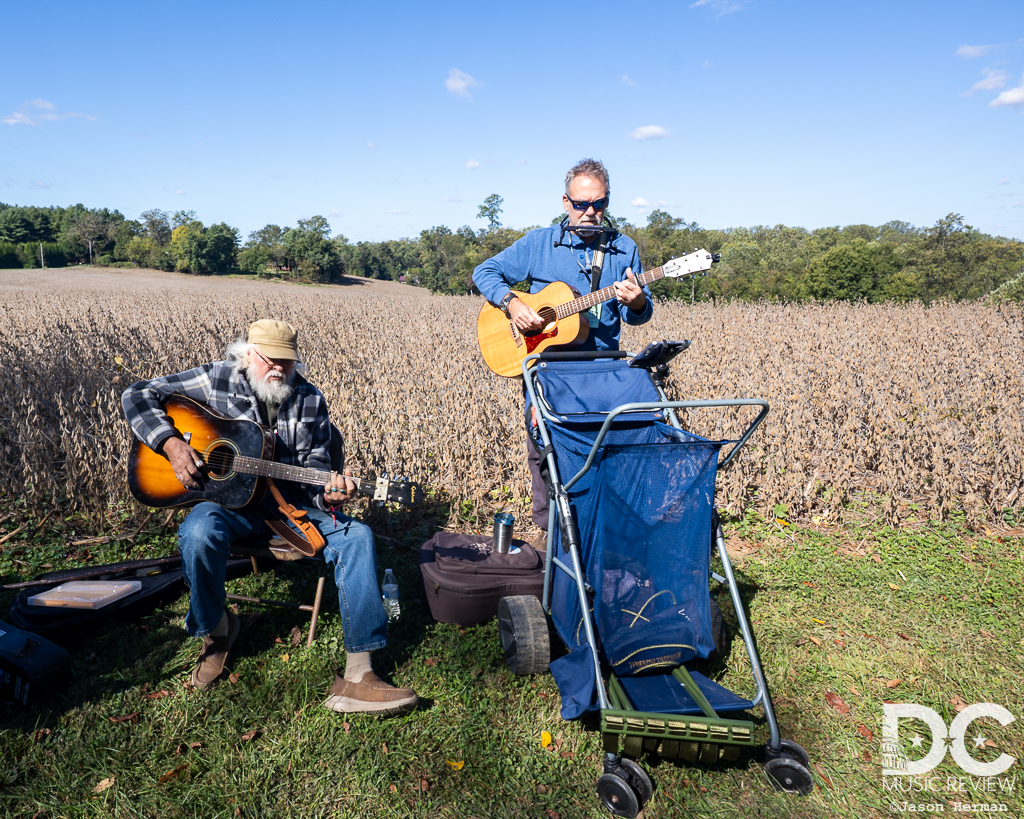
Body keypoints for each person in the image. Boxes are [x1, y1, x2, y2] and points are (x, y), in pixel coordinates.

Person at [121, 319, 418, 716]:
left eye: (288, 362)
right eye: (270, 360)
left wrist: (329, 491)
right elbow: (137, 394)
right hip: (227, 507)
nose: (279, 369)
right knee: (197, 532)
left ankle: (359, 674)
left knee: (358, 536)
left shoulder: (310, 399)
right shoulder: (215, 379)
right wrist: (171, 443)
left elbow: (315, 470)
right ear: (248, 355)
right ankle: (217, 631)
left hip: (287, 506)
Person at [472, 158, 653, 532]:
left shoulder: (624, 249)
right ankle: (551, 538)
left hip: (603, 371)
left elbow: (639, 314)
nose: (590, 212)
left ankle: (604, 535)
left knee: (606, 453)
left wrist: (636, 301)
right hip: (548, 373)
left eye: (599, 204)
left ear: (607, 202)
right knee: (546, 455)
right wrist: (514, 304)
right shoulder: (539, 243)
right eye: (581, 203)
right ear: (565, 202)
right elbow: (484, 272)